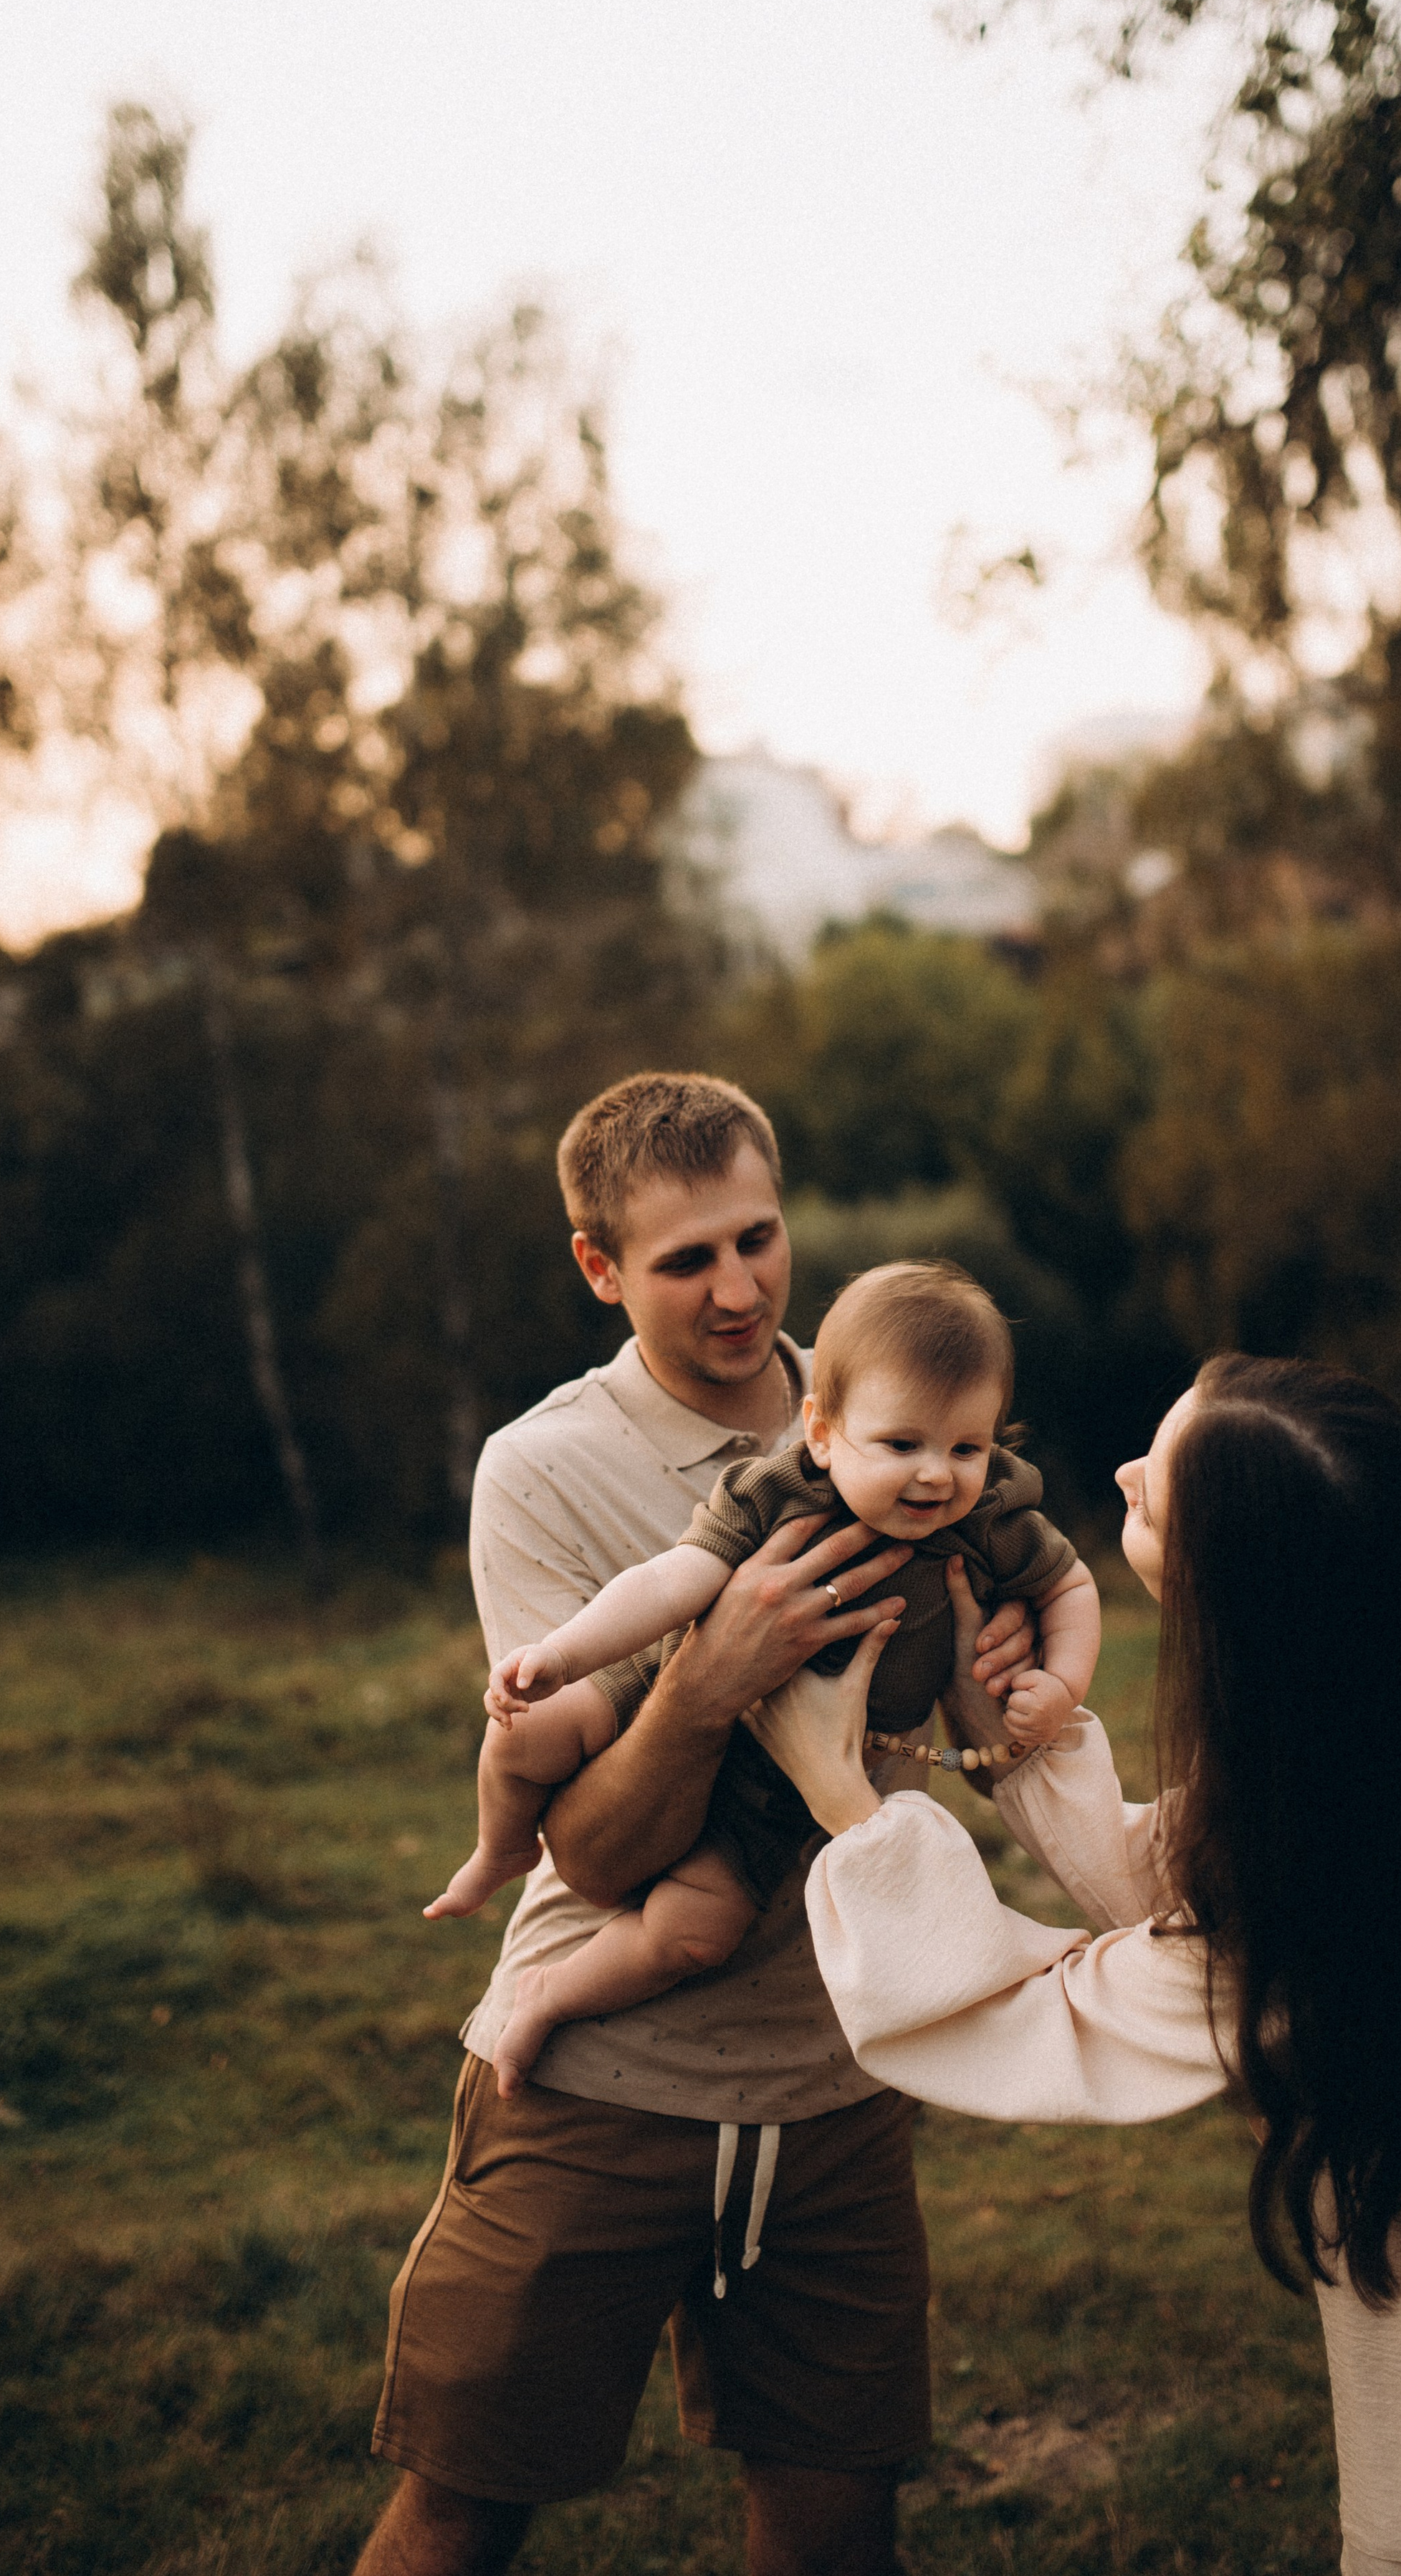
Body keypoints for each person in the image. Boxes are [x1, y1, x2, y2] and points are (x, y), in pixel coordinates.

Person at [752, 1355, 1401, 2575]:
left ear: (1230, 1597)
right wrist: (1011, 1728)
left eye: (1153, 1493)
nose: (1119, 1473)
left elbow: (1032, 2011)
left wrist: (846, 1799)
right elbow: (1181, 1881)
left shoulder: (1339, 1931)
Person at [357, 1072, 1039, 2576]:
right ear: (600, 1268)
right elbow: (593, 1855)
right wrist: (709, 1678)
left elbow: (992, 1698)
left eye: (758, 1236)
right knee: (465, 2501)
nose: (738, 1288)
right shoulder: (541, 1471)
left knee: (835, 2516)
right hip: (602, 2084)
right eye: (684, 1260)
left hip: (841, 2080)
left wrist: (1017, 1682)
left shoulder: (900, 1409)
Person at [427, 1258, 1099, 2094]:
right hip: (663, 1674)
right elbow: (673, 1580)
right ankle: (497, 1848)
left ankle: (549, 1994)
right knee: (525, 1731)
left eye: (967, 1445)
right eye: (901, 1444)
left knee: (693, 1932)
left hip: (778, 1795)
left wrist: (1061, 1683)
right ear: (821, 1432)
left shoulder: (992, 1517)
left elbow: (1069, 1584)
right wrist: (562, 1655)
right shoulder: (776, 1492)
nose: (936, 1472)